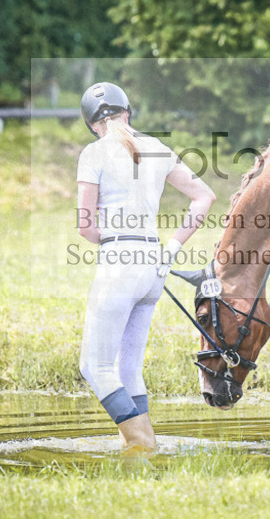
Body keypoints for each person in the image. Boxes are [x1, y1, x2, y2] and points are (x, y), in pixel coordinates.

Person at [76, 82, 215, 454]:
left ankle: (143, 444)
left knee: (95, 366)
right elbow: (205, 197)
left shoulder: (93, 153)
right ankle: (138, 453)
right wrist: (169, 250)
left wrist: (117, 233)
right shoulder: (158, 148)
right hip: (153, 266)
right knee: (128, 370)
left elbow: (85, 226)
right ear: (128, 112)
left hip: (119, 265)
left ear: (93, 124)